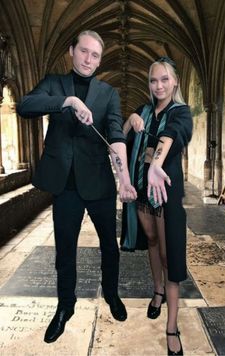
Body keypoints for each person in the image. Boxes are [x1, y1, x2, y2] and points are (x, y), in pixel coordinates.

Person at [17, 30, 137, 343]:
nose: (88, 59)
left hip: (98, 183)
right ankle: (65, 307)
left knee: (110, 246)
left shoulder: (108, 93)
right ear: (72, 51)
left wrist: (124, 179)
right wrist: (67, 102)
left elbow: (116, 135)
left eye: (95, 55)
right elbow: (25, 105)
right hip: (65, 186)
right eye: (84, 51)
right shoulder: (54, 83)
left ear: (100, 59)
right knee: (65, 252)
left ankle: (111, 294)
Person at [121, 57, 193, 355]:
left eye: (164, 79)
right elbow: (121, 136)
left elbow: (171, 135)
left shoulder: (181, 112)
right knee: (150, 240)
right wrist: (130, 121)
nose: (159, 85)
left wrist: (156, 165)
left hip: (165, 193)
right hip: (141, 191)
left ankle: (172, 327)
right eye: (153, 80)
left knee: (169, 255)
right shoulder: (144, 110)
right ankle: (157, 290)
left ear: (174, 81)